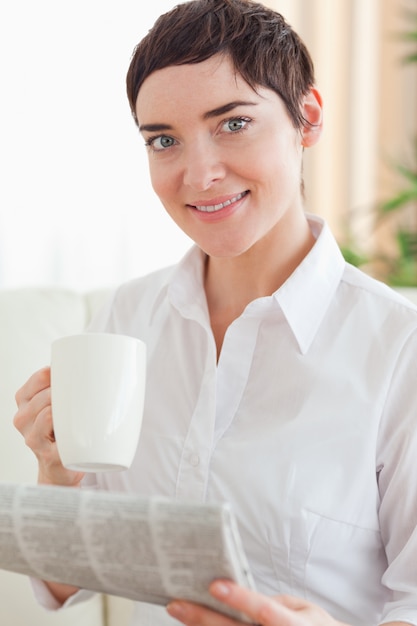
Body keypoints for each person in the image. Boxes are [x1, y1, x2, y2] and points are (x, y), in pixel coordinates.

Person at [13, 0, 417, 625]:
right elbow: (64, 586)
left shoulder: (397, 348)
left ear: (306, 118)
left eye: (232, 124)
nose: (199, 174)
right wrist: (56, 473)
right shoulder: (128, 318)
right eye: (164, 141)